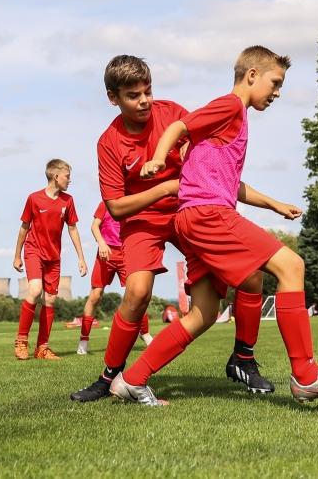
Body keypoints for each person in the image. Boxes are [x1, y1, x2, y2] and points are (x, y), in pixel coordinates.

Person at [109, 45, 318, 406]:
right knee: (292, 266)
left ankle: (131, 380)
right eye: (275, 83)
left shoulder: (229, 123)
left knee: (204, 314)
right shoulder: (230, 106)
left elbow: (227, 183)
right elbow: (179, 125)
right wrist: (157, 158)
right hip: (207, 215)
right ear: (252, 75)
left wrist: (274, 204)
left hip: (192, 217)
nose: (277, 93)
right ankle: (305, 376)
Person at [71, 55, 272, 403]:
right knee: (137, 293)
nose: (145, 101)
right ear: (113, 98)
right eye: (133, 95)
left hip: (188, 212)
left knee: (244, 279)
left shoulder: (173, 113)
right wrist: (165, 188)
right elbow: (116, 208)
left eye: (148, 91)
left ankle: (243, 358)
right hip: (142, 221)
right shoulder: (109, 142)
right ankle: (108, 377)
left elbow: (211, 161)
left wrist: (268, 202)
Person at [12, 159, 87, 360]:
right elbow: (24, 228)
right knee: (35, 290)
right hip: (34, 251)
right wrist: (17, 255)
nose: (69, 180)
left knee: (51, 299)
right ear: (56, 176)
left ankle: (42, 348)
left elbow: (73, 229)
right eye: (67, 176)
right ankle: (21, 341)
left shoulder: (68, 201)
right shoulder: (34, 198)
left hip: (54, 257)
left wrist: (81, 258)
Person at [77, 201, 152, 355]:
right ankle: (84, 340)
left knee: (137, 294)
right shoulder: (105, 203)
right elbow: (94, 226)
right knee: (95, 296)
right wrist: (101, 243)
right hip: (106, 254)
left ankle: (145, 333)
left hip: (127, 253)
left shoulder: (134, 201)